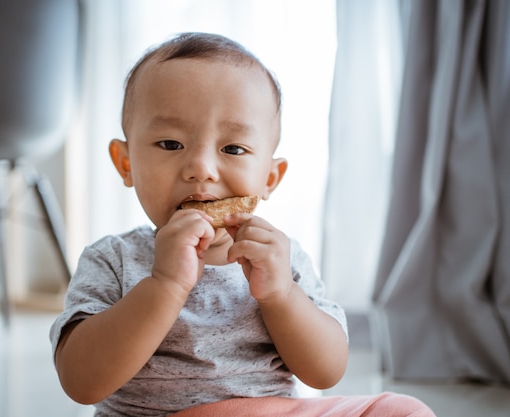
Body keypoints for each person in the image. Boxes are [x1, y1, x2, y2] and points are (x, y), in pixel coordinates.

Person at [50, 32, 435, 417]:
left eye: (233, 149)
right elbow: (81, 382)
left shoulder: (281, 258)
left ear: (270, 177)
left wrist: (281, 295)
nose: (201, 168)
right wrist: (165, 286)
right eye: (170, 144)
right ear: (126, 162)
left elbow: (326, 372)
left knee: (402, 410)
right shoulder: (113, 259)